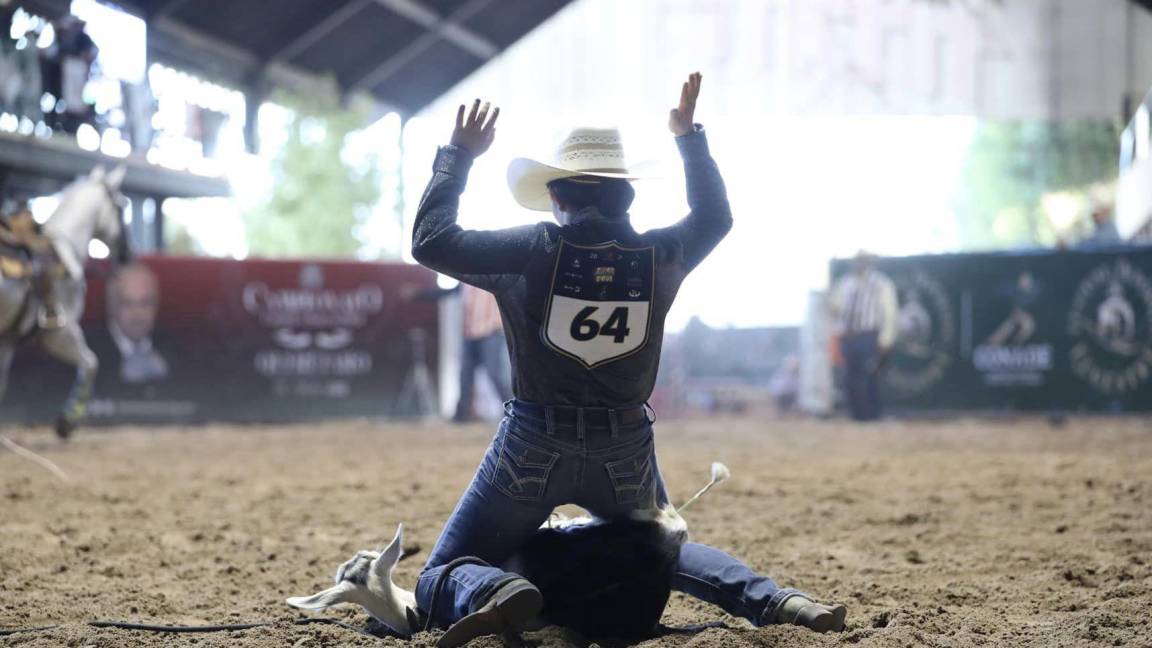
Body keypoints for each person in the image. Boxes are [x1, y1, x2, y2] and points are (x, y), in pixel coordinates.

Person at [410, 73, 847, 647]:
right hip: (626, 451)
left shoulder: (534, 248)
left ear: (559, 195)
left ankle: (495, 590)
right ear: (625, 195)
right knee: (660, 547)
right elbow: (715, 217)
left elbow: (430, 239)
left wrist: (457, 157)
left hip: (532, 444)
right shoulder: (658, 253)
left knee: (439, 573)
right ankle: (778, 601)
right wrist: (689, 138)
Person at [828, 252, 897, 422]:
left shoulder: (881, 283)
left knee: (869, 375)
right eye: (856, 260)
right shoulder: (845, 283)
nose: (859, 264)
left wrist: (886, 339)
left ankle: (872, 415)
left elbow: (889, 313)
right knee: (850, 377)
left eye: (862, 260)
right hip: (848, 336)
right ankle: (855, 415)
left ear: (869, 262)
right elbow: (836, 308)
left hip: (869, 336)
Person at [99, 263, 169, 385]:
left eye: (145, 303)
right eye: (127, 303)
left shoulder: (178, 353)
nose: (137, 314)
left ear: (157, 305)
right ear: (111, 306)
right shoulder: (85, 355)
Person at [0, 207, 64, 329]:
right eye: (25, 216)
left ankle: (49, 308)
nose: (29, 219)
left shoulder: (38, 239)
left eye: (28, 216)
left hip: (27, 268)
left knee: (41, 268)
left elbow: (58, 267)